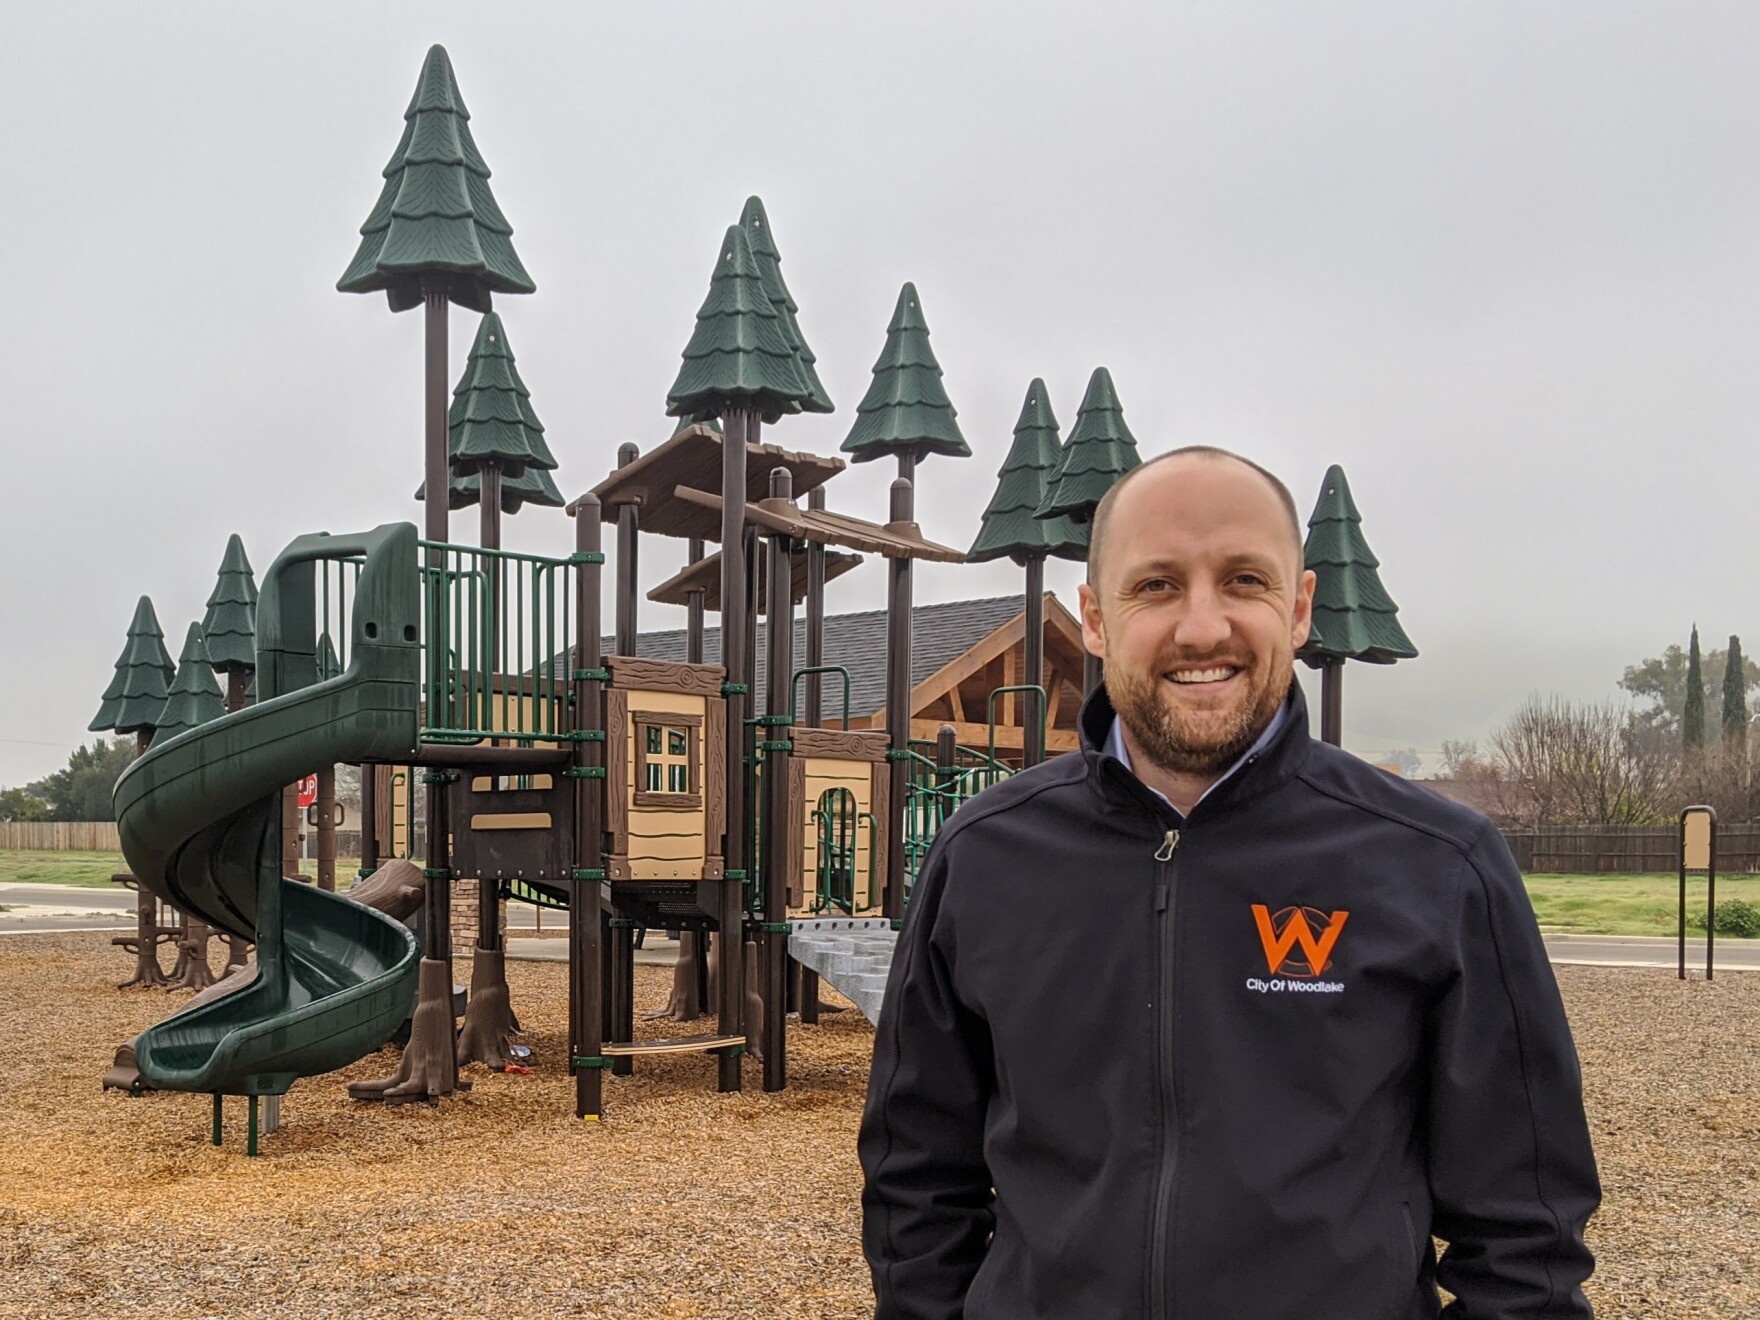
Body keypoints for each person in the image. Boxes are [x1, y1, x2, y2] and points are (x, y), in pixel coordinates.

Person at [859, 447, 1599, 1319]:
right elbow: (917, 1181)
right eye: (1157, 585)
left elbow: (1524, 1234)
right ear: (1095, 617)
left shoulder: (1438, 864)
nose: (1202, 627)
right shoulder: (985, 856)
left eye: (1243, 580)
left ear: (1299, 608)